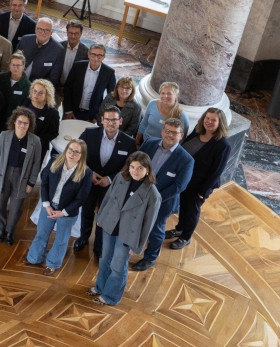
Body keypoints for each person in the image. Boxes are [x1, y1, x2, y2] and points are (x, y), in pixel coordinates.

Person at [89, 152, 161, 306]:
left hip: (129, 235)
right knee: (104, 259)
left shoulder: (153, 194)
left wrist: (138, 246)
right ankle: (100, 287)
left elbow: (149, 223)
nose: (135, 171)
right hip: (110, 225)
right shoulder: (121, 178)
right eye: (132, 167)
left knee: (118, 267)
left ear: (147, 170)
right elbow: (108, 198)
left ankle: (111, 297)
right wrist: (101, 217)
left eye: (140, 168)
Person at [73, 105, 138, 256]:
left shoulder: (128, 142)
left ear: (120, 121)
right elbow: (77, 155)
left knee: (105, 215)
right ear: (101, 120)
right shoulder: (89, 134)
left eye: (114, 120)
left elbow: (130, 166)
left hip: (112, 186)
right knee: (87, 211)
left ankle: (99, 245)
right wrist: (90, 173)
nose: (110, 123)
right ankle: (83, 237)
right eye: (107, 119)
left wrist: (110, 179)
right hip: (89, 181)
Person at [132, 118, 194, 271]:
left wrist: (154, 199)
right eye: (167, 130)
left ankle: (150, 258)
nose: (169, 135)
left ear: (182, 135)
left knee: (156, 229)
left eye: (174, 133)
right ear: (162, 131)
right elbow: (136, 165)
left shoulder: (186, 160)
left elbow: (179, 186)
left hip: (163, 202)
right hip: (138, 195)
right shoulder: (149, 143)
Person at [26, 139, 93, 275]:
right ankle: (34, 257)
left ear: (82, 155)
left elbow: (81, 198)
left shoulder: (86, 173)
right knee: (41, 233)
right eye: (70, 150)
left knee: (61, 239)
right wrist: (46, 204)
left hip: (67, 213)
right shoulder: (54, 161)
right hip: (49, 207)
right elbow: (44, 183)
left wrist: (63, 213)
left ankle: (52, 263)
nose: (72, 154)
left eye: (76, 152)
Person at [166, 108, 230, 249]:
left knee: (192, 211)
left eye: (213, 120)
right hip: (184, 178)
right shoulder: (197, 130)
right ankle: (179, 228)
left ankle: (185, 237)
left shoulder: (223, 145)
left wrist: (203, 191)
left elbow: (216, 172)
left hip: (200, 185)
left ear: (220, 123)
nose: (209, 122)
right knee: (183, 206)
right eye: (207, 118)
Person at [0, 107, 44, 245]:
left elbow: (36, 164)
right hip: (3, 173)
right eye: (19, 122)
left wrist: (31, 183)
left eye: (26, 123)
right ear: (14, 122)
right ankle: (1, 227)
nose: (22, 125)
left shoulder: (35, 141)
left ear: (30, 125)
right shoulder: (4, 136)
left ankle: (10, 230)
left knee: (16, 207)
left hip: (22, 177)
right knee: (0, 203)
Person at [63, 44, 117, 121]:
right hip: (72, 111)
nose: (95, 58)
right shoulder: (77, 66)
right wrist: (68, 110)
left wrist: (98, 116)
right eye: (93, 54)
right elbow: (67, 88)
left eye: (99, 56)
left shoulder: (109, 73)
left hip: (92, 115)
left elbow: (111, 96)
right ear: (88, 54)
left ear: (104, 57)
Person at [16, 17, 63, 86]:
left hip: (38, 88)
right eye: (40, 29)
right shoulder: (25, 40)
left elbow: (54, 78)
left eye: (47, 30)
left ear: (51, 32)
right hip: (17, 80)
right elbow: (14, 60)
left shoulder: (58, 50)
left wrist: (36, 88)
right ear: (35, 29)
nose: (42, 33)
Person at [23, 79, 60, 156]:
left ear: (47, 95)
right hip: (20, 142)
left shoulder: (52, 113)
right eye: (35, 91)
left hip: (37, 147)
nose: (36, 95)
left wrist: (36, 140)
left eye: (40, 93)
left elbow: (54, 133)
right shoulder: (26, 102)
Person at [0, 52, 31, 117]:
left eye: (18, 65)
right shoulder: (0, 78)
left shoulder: (28, 86)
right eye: (13, 65)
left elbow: (24, 108)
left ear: (23, 66)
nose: (15, 68)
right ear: (9, 65)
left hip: (13, 120)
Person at [59, 20, 89, 85]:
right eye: (71, 33)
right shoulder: (58, 47)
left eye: (76, 33)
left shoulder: (86, 52)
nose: (73, 36)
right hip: (57, 85)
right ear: (67, 33)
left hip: (73, 88)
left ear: (81, 34)